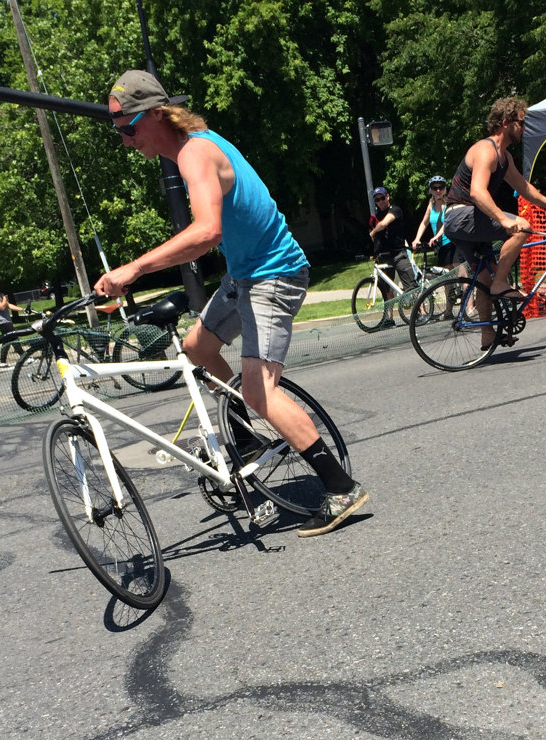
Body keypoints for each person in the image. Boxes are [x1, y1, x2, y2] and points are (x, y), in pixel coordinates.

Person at [92, 70, 367, 537]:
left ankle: (341, 487)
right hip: (245, 275)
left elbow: (206, 231)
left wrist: (134, 269)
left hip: (274, 275)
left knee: (261, 392)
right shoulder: (192, 146)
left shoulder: (195, 153)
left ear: (156, 114)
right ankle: (246, 438)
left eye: (129, 129)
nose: (125, 141)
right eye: (118, 130)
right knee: (195, 348)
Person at [443, 96, 546, 346]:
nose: (523, 128)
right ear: (505, 123)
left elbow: (524, 188)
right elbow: (477, 192)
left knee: (484, 278)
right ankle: (501, 283)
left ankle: (487, 334)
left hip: (466, 221)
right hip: (460, 215)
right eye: (520, 123)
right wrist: (503, 219)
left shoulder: (505, 157)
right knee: (522, 227)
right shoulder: (485, 150)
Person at [369, 186, 415, 295]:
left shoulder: (395, 210)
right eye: (377, 200)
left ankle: (420, 306)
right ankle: (390, 307)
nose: (380, 201)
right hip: (384, 256)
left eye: (382, 198)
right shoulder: (377, 215)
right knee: (387, 290)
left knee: (412, 287)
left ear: (388, 197)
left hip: (398, 254)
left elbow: (384, 223)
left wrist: (373, 232)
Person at [412, 176, 455, 268]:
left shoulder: (449, 204)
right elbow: (424, 223)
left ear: (445, 189)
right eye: (435, 188)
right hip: (440, 245)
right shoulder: (431, 205)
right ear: (431, 190)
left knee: (453, 270)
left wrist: (436, 237)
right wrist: (417, 239)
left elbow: (447, 223)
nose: (438, 190)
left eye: (441, 187)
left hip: (451, 242)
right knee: (443, 273)